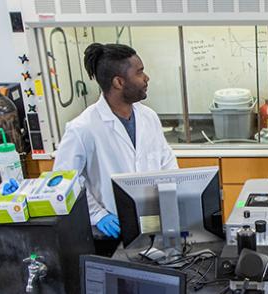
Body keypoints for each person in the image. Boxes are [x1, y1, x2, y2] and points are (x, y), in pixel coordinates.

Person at [53, 43, 177, 253]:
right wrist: (99, 215)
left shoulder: (149, 117)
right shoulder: (82, 128)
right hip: (109, 237)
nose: (146, 78)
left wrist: (171, 200)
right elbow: (64, 183)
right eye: (139, 72)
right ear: (119, 82)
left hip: (153, 227)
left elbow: (167, 161)